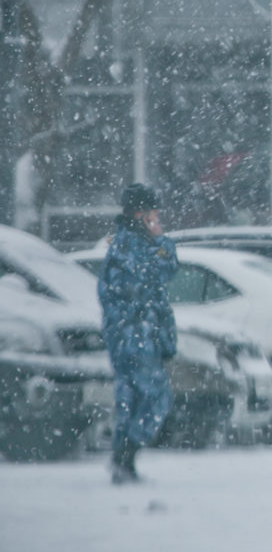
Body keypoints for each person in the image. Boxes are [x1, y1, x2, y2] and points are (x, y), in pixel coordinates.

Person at [98, 183, 179, 484]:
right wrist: (161, 240)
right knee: (156, 398)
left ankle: (123, 461)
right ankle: (125, 455)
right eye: (154, 213)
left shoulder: (125, 243)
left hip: (130, 335)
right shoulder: (131, 244)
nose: (158, 219)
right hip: (135, 336)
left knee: (130, 399)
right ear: (142, 213)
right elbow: (163, 270)